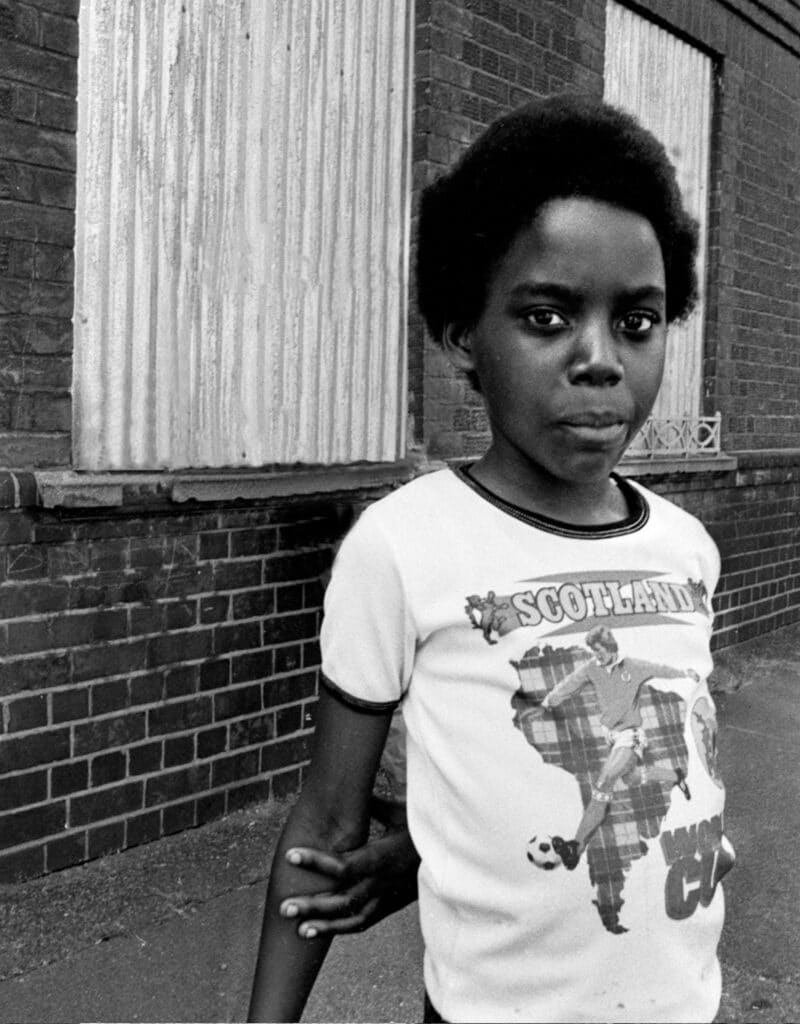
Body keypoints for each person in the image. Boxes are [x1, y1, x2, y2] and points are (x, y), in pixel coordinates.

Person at [248, 94, 734, 1023]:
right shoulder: (404, 546)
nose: (600, 359)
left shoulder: (686, 549)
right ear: (465, 334)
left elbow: (672, 761)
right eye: (548, 317)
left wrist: (429, 851)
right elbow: (324, 822)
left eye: (638, 321)